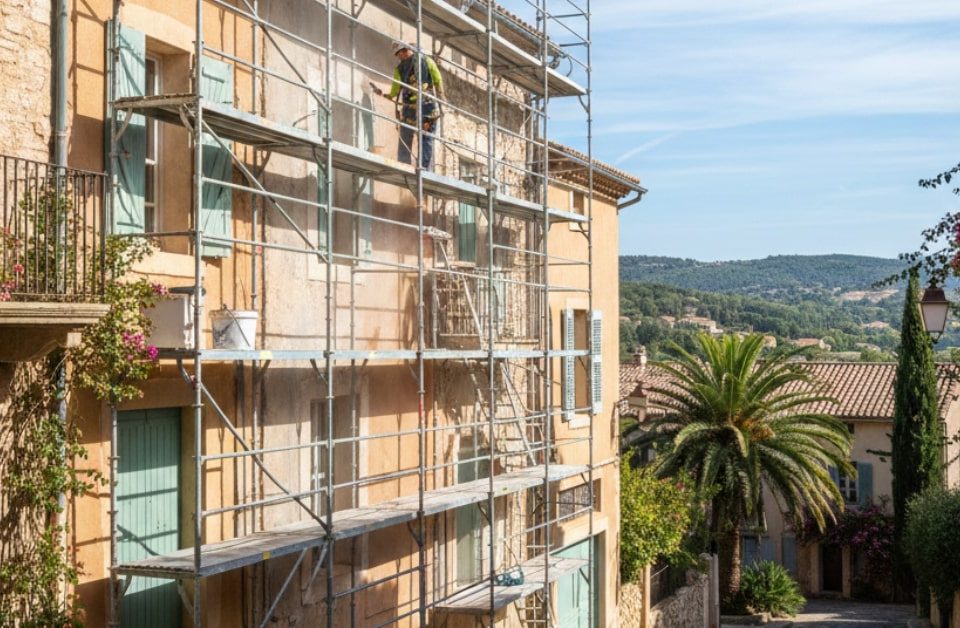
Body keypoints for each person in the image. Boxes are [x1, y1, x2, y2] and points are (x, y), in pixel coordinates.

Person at [382, 41, 445, 170]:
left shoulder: (419, 62)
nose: (401, 56)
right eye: (399, 54)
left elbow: (437, 79)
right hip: (422, 106)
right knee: (419, 136)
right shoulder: (423, 61)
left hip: (418, 106)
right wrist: (441, 97)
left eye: (402, 52)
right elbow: (437, 79)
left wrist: (441, 96)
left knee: (417, 135)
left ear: (408, 50)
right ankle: (416, 167)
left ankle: (410, 166)